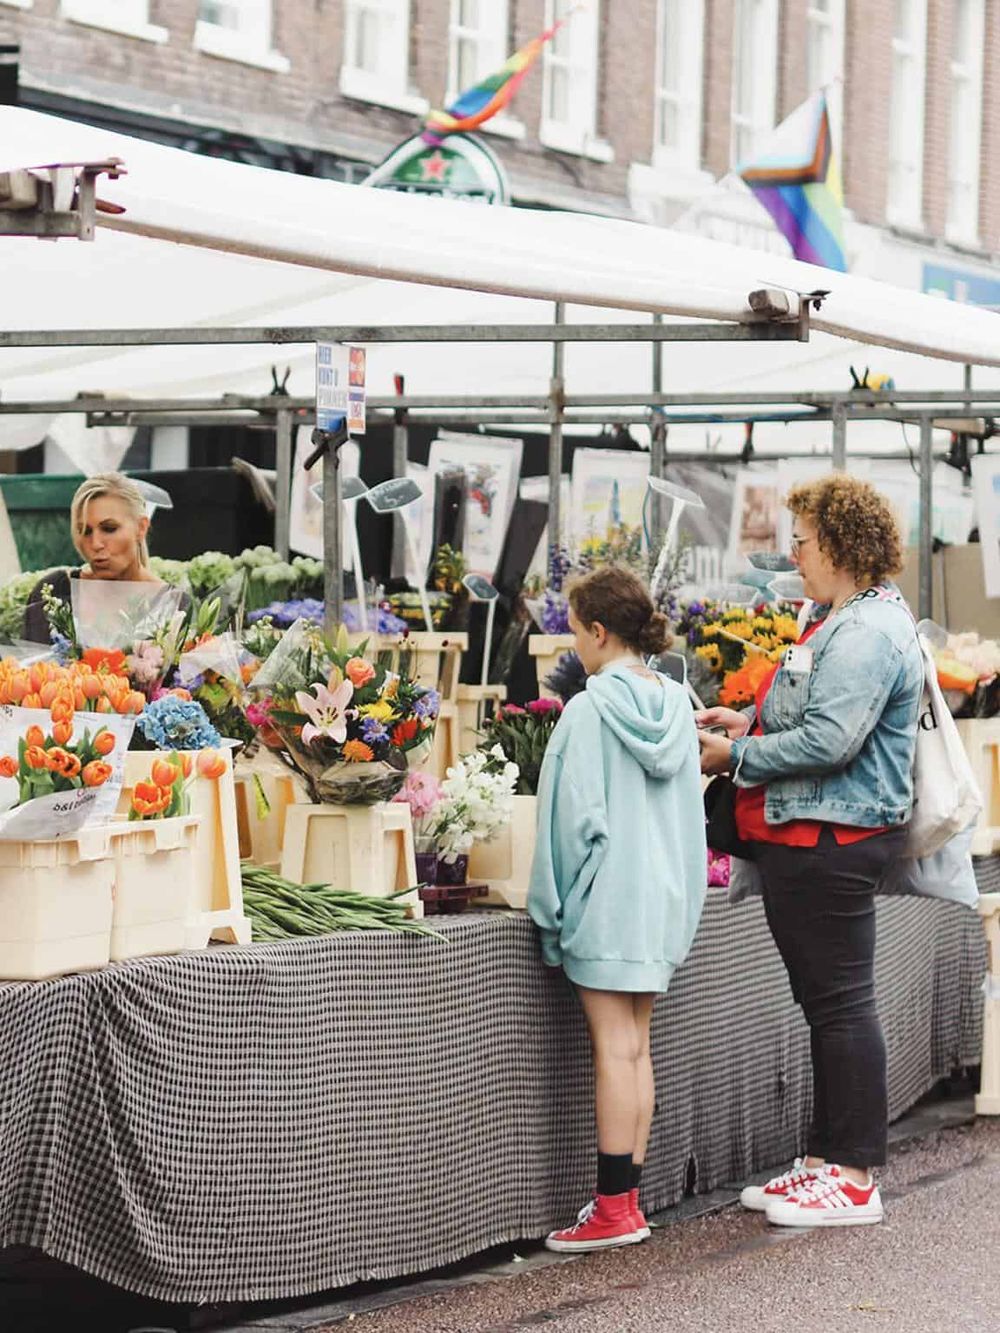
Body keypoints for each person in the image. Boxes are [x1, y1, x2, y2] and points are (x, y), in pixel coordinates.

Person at [698, 474, 923, 1229]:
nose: (793, 554)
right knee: (829, 1004)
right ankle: (830, 1160)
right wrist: (749, 719)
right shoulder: (850, 617)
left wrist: (734, 756)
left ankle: (854, 1174)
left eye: (800, 541)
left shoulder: (864, 630)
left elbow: (832, 739)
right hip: (817, 834)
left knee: (841, 1004)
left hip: (832, 838)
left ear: (837, 543)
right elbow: (815, 711)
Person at [528, 565, 707, 1252]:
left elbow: (564, 825)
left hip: (606, 906)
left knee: (613, 1050)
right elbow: (692, 823)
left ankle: (611, 1209)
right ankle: (625, 1200)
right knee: (636, 1048)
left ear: (599, 632)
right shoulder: (678, 704)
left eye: (575, 631)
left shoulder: (588, 710)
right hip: (661, 905)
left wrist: (551, 914)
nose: (574, 645)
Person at [22, 473, 171, 644]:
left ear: (141, 528)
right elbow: (29, 666)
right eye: (85, 531)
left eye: (109, 528)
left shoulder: (172, 604)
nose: (95, 543)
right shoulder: (55, 591)